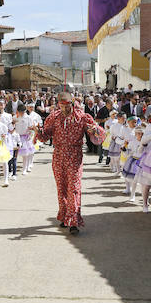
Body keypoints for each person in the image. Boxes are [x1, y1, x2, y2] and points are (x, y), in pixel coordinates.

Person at [36, 91, 104, 234]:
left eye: (67, 106)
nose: (64, 109)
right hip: (58, 155)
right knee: (61, 188)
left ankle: (73, 221)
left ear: (72, 103)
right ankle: (64, 216)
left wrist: (94, 130)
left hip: (74, 156)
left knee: (73, 188)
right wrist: (38, 131)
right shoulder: (53, 117)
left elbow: (98, 136)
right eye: (61, 106)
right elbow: (44, 137)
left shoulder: (82, 117)